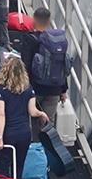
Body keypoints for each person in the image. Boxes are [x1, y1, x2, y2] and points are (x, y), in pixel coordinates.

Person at [0, 56, 50, 179]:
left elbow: (1, 114)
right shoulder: (28, 88)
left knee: (3, 167)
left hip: (8, 133)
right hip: (24, 134)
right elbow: (32, 112)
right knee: (19, 167)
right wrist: (41, 114)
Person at [16, 7, 70, 138]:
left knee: (27, 119)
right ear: (49, 21)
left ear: (34, 20)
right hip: (54, 89)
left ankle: (31, 149)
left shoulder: (30, 39)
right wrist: (63, 90)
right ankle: (46, 152)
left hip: (35, 88)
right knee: (48, 122)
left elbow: (25, 65)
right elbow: (61, 65)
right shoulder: (58, 41)